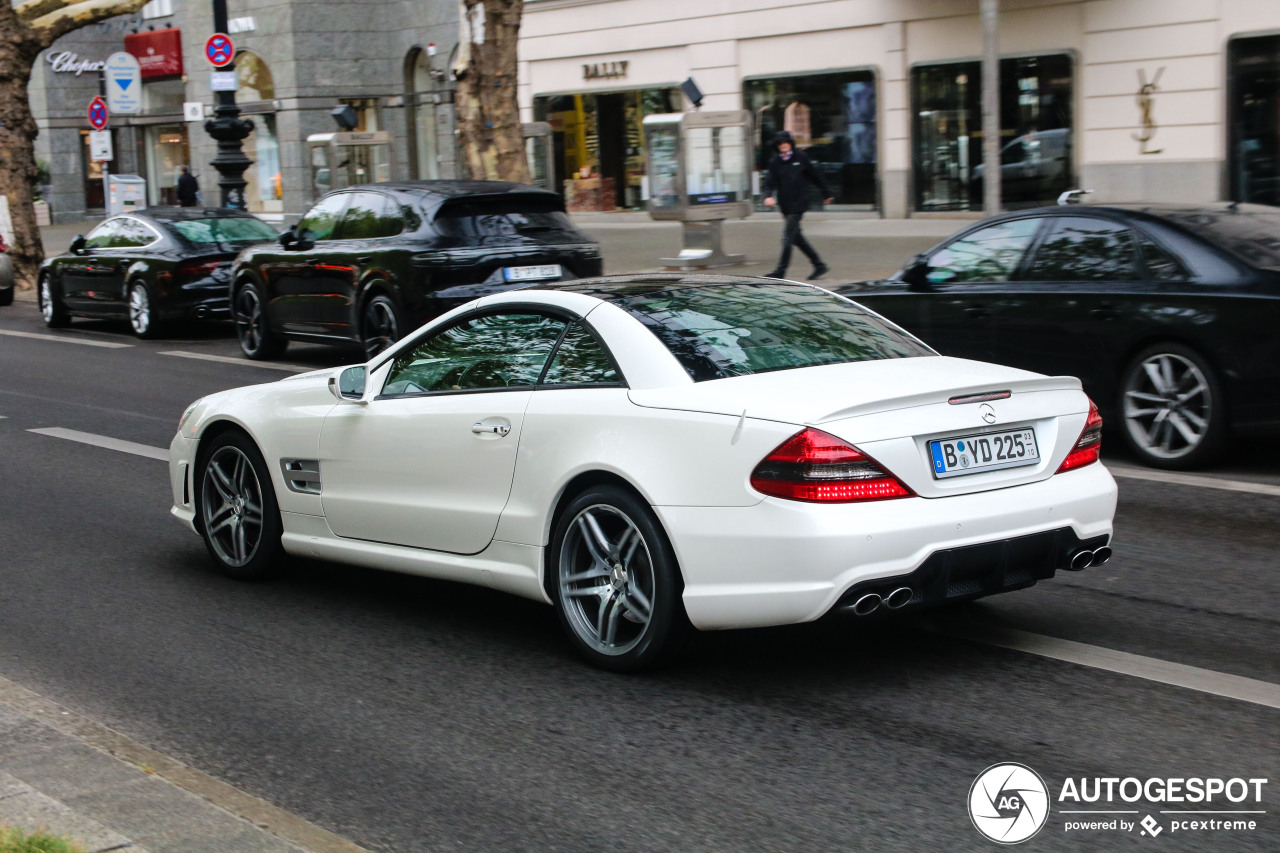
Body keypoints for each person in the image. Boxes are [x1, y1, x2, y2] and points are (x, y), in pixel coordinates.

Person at [761, 130, 833, 280]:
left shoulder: (801, 157)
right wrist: (768, 196)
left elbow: (815, 175)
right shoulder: (775, 162)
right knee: (796, 237)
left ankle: (780, 272)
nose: (783, 145)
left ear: (791, 144)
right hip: (785, 205)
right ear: (777, 146)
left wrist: (826, 193)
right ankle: (819, 265)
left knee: (787, 238)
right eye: (780, 143)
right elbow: (769, 182)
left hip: (799, 203)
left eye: (786, 142)